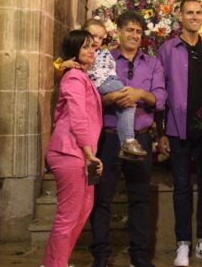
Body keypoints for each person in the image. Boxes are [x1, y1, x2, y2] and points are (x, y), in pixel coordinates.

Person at [87, 11, 166, 267]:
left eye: (138, 32)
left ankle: (139, 256)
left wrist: (139, 94)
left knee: (140, 198)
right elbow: (89, 94)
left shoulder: (152, 63)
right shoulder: (104, 59)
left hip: (140, 137)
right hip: (109, 137)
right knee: (102, 198)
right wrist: (112, 100)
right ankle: (100, 257)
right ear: (118, 32)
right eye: (129, 30)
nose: (134, 35)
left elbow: (161, 98)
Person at [157, 0, 202, 267]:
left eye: (198, 12)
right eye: (189, 12)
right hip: (178, 128)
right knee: (181, 188)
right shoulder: (168, 50)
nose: (194, 17)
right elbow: (160, 91)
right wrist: (160, 131)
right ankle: (183, 244)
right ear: (180, 17)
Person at [40, 30, 103, 267]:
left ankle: (54, 262)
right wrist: (89, 153)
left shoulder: (80, 76)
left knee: (83, 208)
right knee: (70, 212)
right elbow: (77, 117)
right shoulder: (75, 77)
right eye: (85, 47)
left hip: (78, 152)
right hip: (70, 151)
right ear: (73, 51)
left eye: (93, 47)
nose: (91, 51)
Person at [59, 19, 145, 161]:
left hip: (109, 80)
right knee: (128, 102)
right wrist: (63, 64)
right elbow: (59, 66)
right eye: (93, 36)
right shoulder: (85, 54)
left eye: (100, 37)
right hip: (105, 81)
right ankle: (128, 141)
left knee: (126, 105)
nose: (96, 41)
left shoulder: (101, 52)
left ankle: (127, 143)